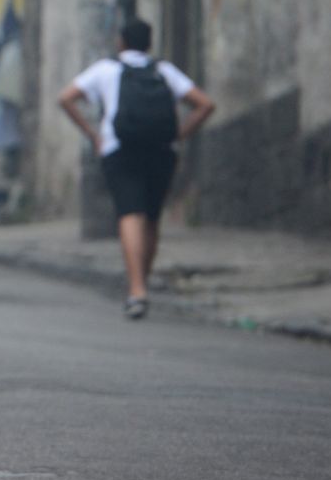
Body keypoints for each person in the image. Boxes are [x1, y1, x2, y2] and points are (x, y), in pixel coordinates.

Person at [57, 19, 216, 319]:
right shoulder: (164, 71)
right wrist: (180, 134)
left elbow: (65, 98)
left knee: (130, 214)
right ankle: (141, 280)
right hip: (161, 151)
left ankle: (137, 289)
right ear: (149, 44)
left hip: (120, 150)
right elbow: (205, 104)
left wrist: (92, 134)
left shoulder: (106, 70)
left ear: (121, 42)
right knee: (152, 218)